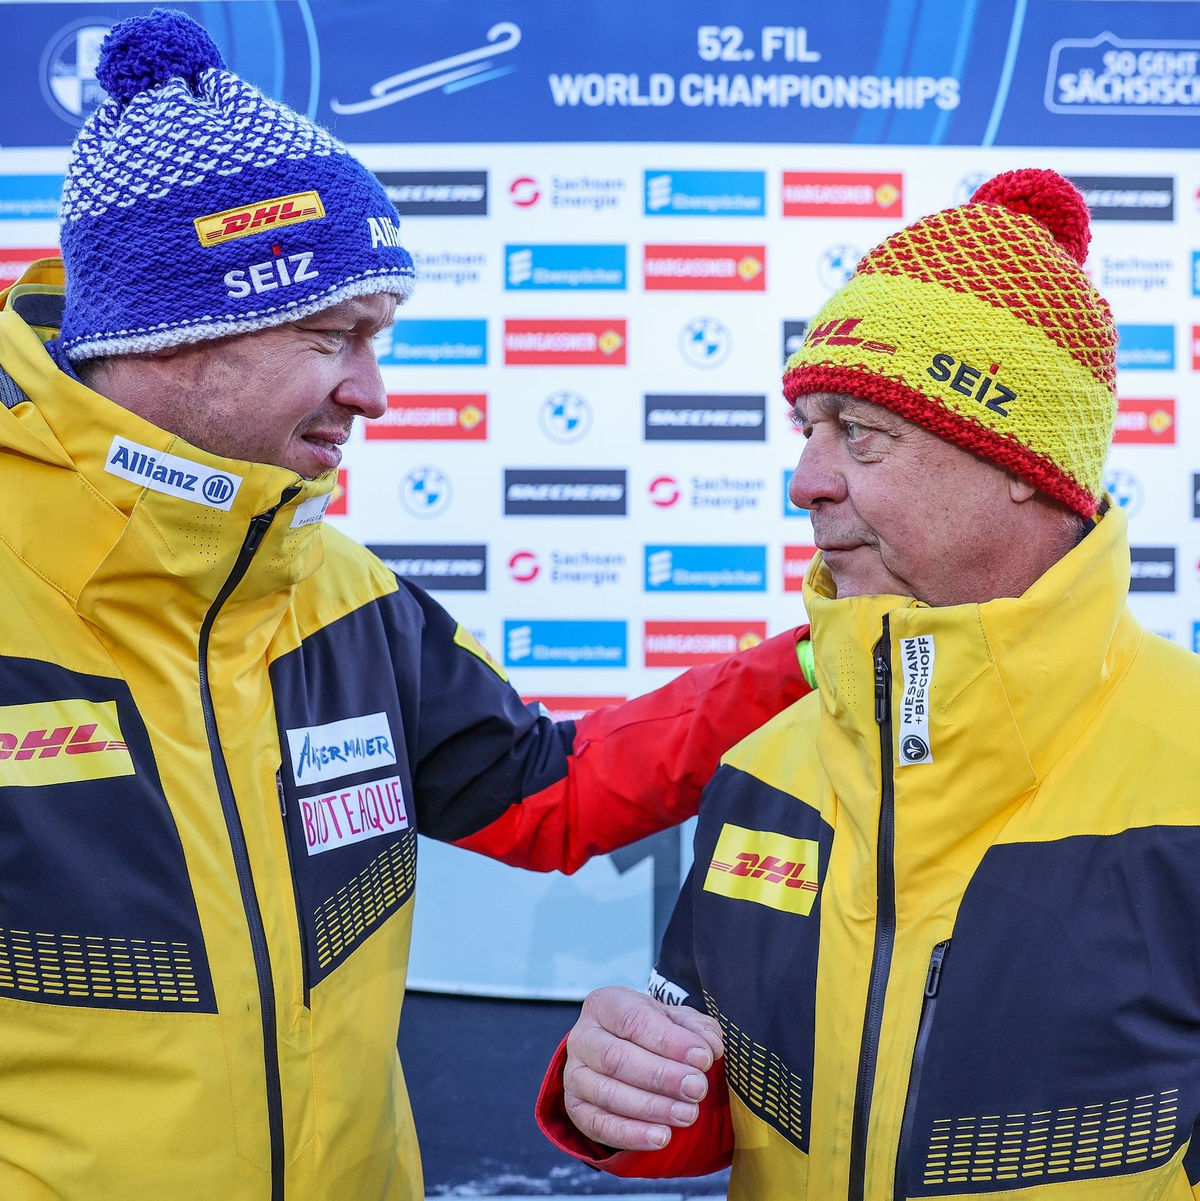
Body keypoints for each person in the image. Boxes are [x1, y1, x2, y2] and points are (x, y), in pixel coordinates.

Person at [0, 11, 816, 1199]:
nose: (372, 392)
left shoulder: (342, 596)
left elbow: (549, 795)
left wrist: (821, 659)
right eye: (336, 334)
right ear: (178, 333)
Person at [538, 168, 1200, 1200]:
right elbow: (711, 1101)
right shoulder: (764, 769)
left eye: (862, 434)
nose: (806, 479)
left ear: (1024, 462)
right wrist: (617, 1089)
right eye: (809, 431)